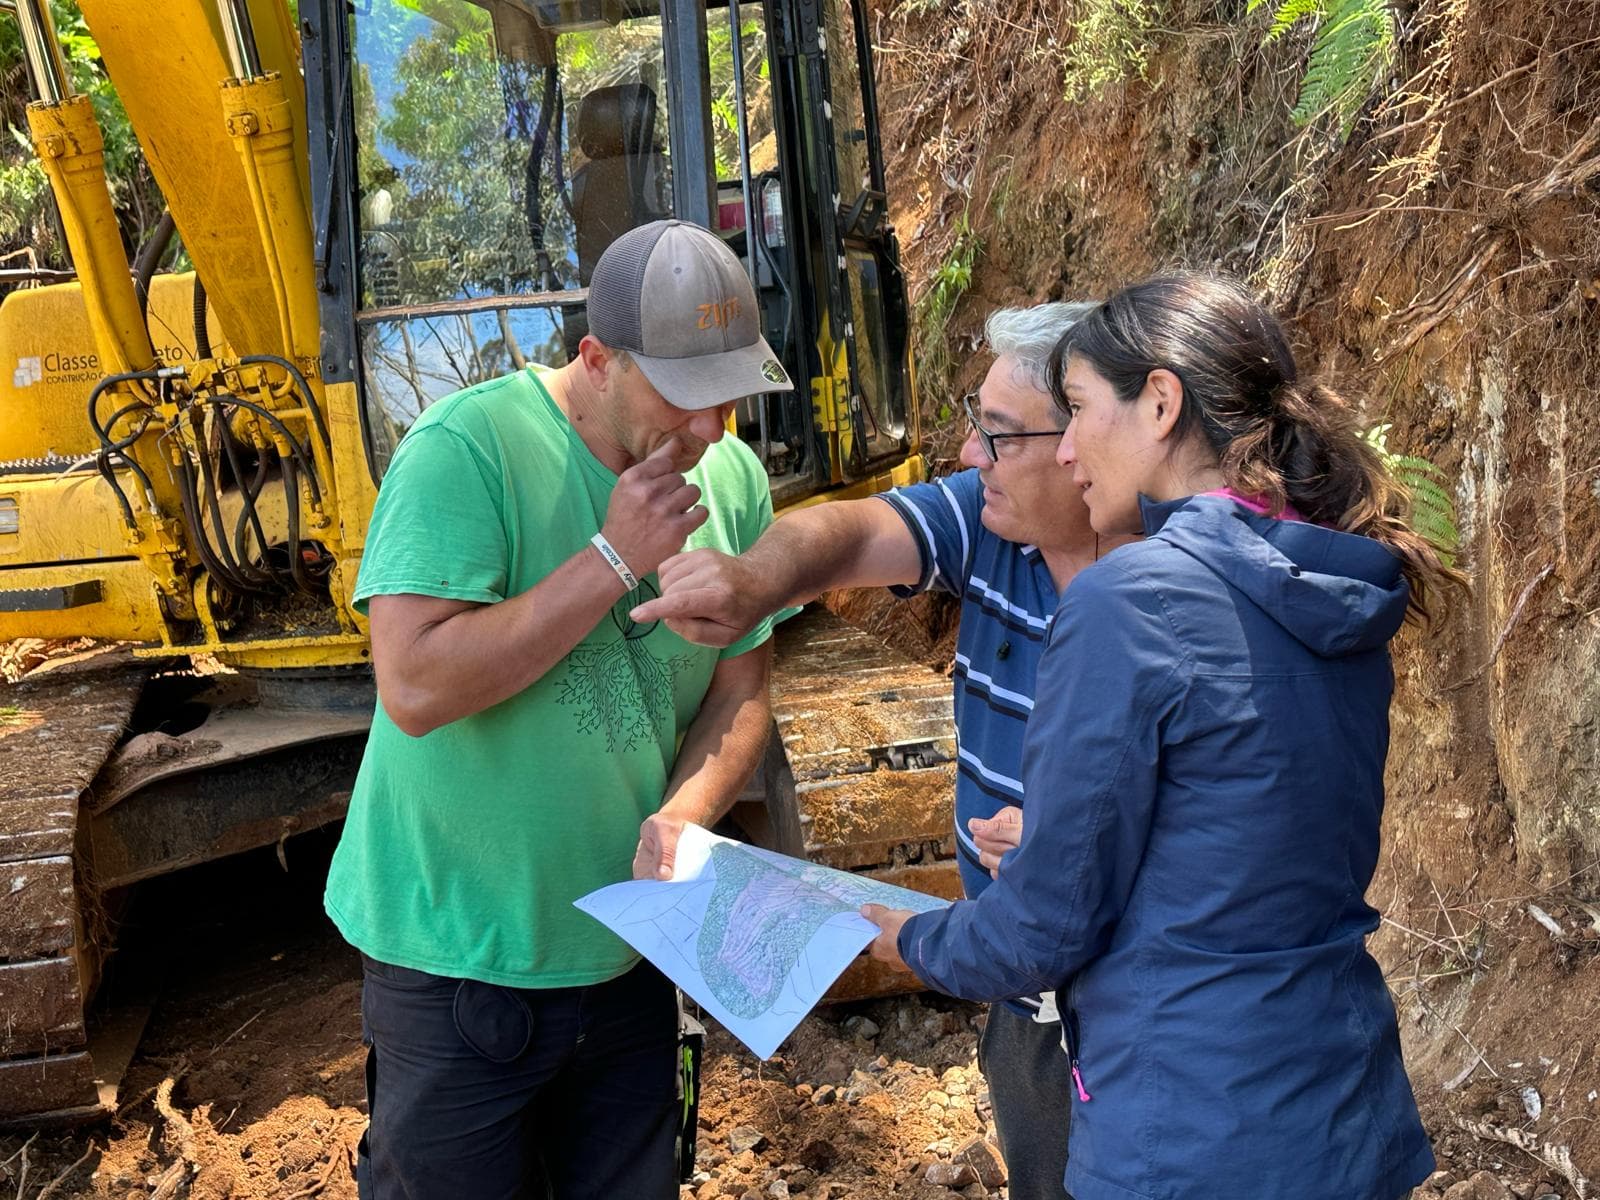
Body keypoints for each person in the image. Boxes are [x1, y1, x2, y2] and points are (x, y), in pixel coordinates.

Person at [860, 271, 1461, 1200]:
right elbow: (1258, 850)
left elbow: (1044, 932)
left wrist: (909, 940)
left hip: (1183, 1133)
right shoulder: (1339, 581)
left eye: (1078, 409)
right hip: (1345, 1111)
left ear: (1161, 403)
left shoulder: (1130, 600)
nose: (1065, 453)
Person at [323, 219, 795, 1200]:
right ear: (595, 359)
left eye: (731, 396)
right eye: (686, 398)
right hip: (460, 961)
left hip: (627, 962)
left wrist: (682, 815)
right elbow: (412, 687)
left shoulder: (732, 480)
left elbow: (743, 689)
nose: (711, 431)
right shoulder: (469, 450)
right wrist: (611, 558)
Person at [633, 302, 1136, 1200]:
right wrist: (758, 579)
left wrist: (1078, 841)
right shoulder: (992, 524)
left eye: (1001, 435)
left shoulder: (1172, 594)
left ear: (1084, 442)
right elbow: (850, 532)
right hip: (1023, 1002)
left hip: (1135, 1008)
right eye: (974, 426)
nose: (970, 457)